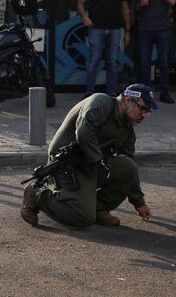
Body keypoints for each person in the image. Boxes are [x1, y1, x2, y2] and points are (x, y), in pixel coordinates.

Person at [20, 83, 156, 228]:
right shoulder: (101, 102)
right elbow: (84, 133)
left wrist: (139, 202)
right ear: (128, 100)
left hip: (89, 163)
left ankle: (99, 208)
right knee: (82, 218)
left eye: (148, 111)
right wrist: (98, 163)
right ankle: (37, 193)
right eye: (143, 109)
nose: (145, 115)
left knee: (128, 167)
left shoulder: (127, 130)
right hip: (67, 164)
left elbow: (130, 163)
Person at [76, 0, 131, 98]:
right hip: (96, 27)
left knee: (111, 60)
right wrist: (85, 17)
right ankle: (89, 92)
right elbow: (80, 2)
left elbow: (126, 9)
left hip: (114, 28)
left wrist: (128, 30)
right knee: (94, 60)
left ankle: (111, 92)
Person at [137, 0, 176, 104]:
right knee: (144, 61)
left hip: (162, 28)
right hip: (145, 28)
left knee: (163, 61)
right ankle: (146, 93)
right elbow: (138, 6)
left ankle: (165, 92)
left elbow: (172, 1)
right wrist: (141, 4)